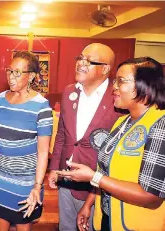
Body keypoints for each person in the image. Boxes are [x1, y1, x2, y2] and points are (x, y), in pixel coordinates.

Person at [56, 57, 165, 231]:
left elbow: (151, 196)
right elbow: (105, 171)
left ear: (145, 85)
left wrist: (93, 177)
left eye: (121, 81)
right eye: (115, 81)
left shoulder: (160, 125)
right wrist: (88, 204)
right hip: (108, 218)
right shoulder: (122, 123)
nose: (114, 87)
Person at [0, 51, 53, 231]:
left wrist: (37, 186)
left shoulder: (41, 107)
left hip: (25, 181)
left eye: (18, 72)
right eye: (9, 71)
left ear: (32, 77)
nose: (11, 77)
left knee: (23, 225)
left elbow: (43, 152)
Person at [47, 43, 121, 231]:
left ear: (105, 69)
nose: (80, 63)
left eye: (88, 61)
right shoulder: (69, 91)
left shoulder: (118, 99)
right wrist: (54, 167)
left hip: (96, 186)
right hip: (66, 178)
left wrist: (97, 187)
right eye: (80, 58)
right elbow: (62, 133)